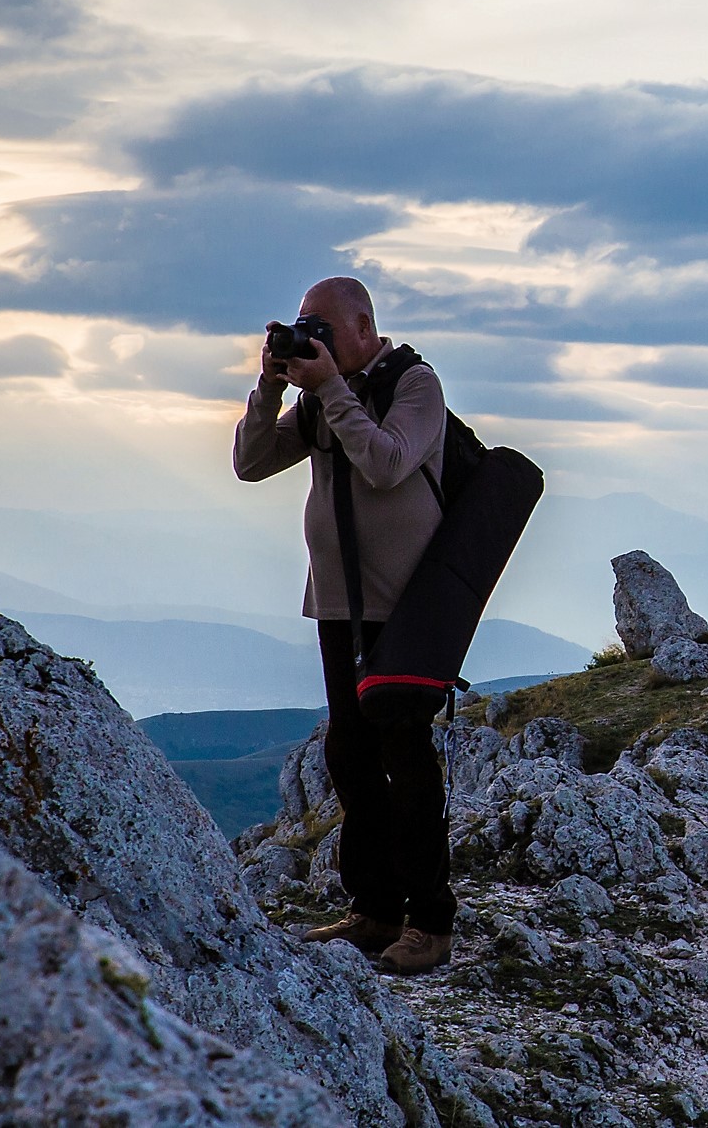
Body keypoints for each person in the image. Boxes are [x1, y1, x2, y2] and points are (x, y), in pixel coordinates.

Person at [231, 276, 455, 975]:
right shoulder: (323, 399)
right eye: (305, 328)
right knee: (351, 756)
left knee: (406, 758)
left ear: (363, 327)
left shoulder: (414, 385)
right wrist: (270, 387)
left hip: (405, 609)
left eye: (322, 328)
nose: (313, 340)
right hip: (336, 605)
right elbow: (250, 463)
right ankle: (375, 908)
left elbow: (386, 464)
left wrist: (329, 387)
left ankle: (430, 922)